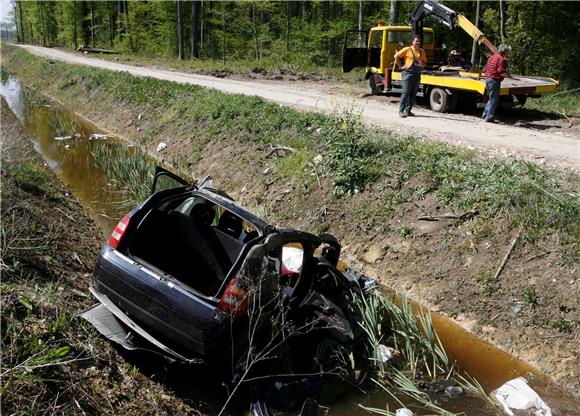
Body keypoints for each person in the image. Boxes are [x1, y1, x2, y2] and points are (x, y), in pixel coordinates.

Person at [394, 35, 427, 118]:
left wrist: (422, 65)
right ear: (412, 42)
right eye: (416, 41)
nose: (417, 43)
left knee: (413, 94)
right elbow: (396, 56)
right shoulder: (407, 49)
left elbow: (424, 62)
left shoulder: (422, 51)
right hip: (407, 74)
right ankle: (401, 111)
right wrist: (401, 66)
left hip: (417, 74)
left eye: (419, 41)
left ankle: (408, 111)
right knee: (405, 93)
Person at [482, 44, 511, 122]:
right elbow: (500, 72)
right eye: (508, 52)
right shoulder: (501, 59)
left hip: (487, 79)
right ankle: (489, 117)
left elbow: (485, 69)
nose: (508, 53)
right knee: (494, 99)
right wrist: (508, 76)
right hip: (494, 80)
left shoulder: (492, 57)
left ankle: (485, 114)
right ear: (504, 52)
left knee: (491, 98)